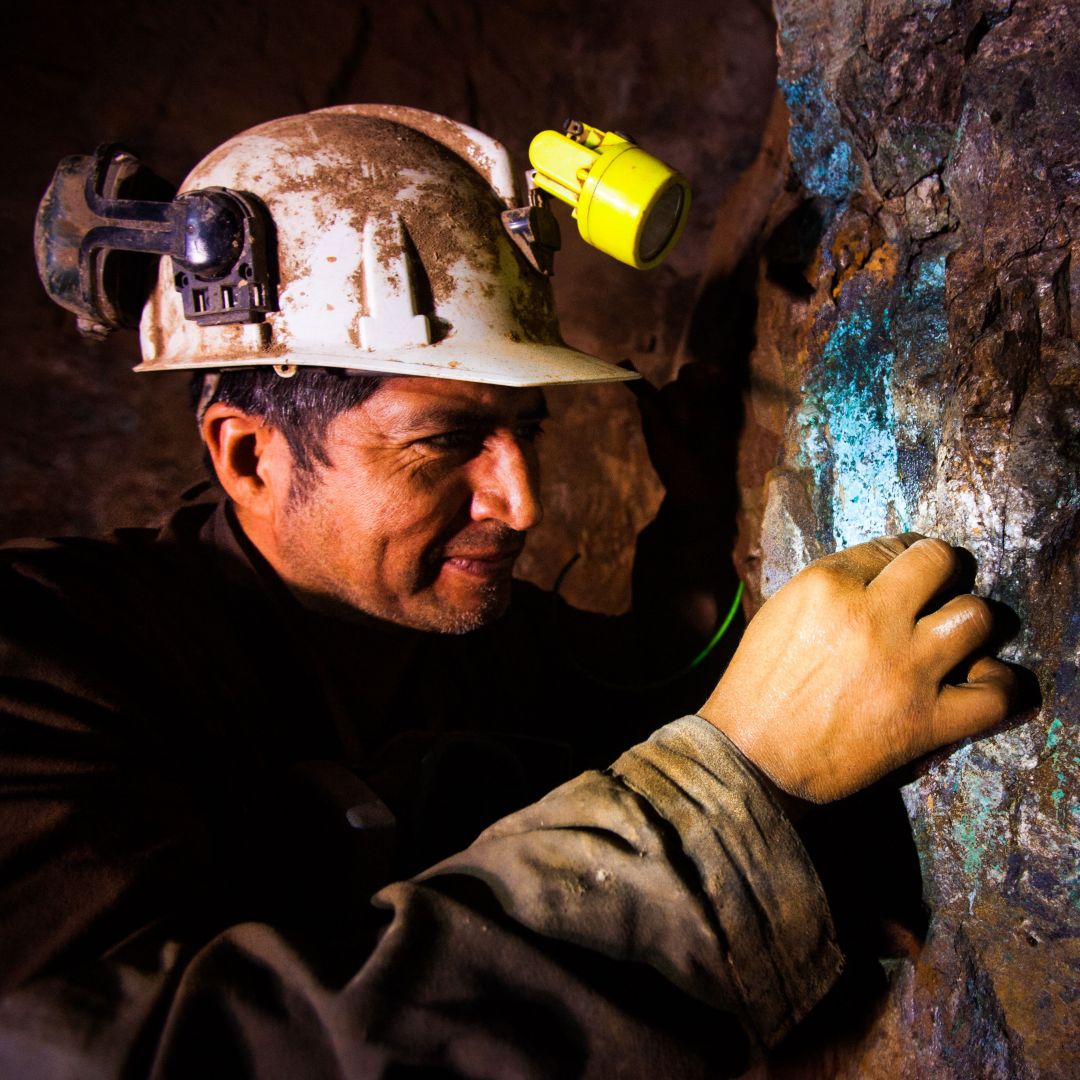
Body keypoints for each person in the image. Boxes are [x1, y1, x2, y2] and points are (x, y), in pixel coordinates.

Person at [0, 105, 1019, 1077]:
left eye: (525, 431)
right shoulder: (38, 676)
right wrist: (737, 789)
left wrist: (696, 536)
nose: (522, 503)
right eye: (445, 442)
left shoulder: (455, 635)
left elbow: (628, 705)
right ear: (250, 455)